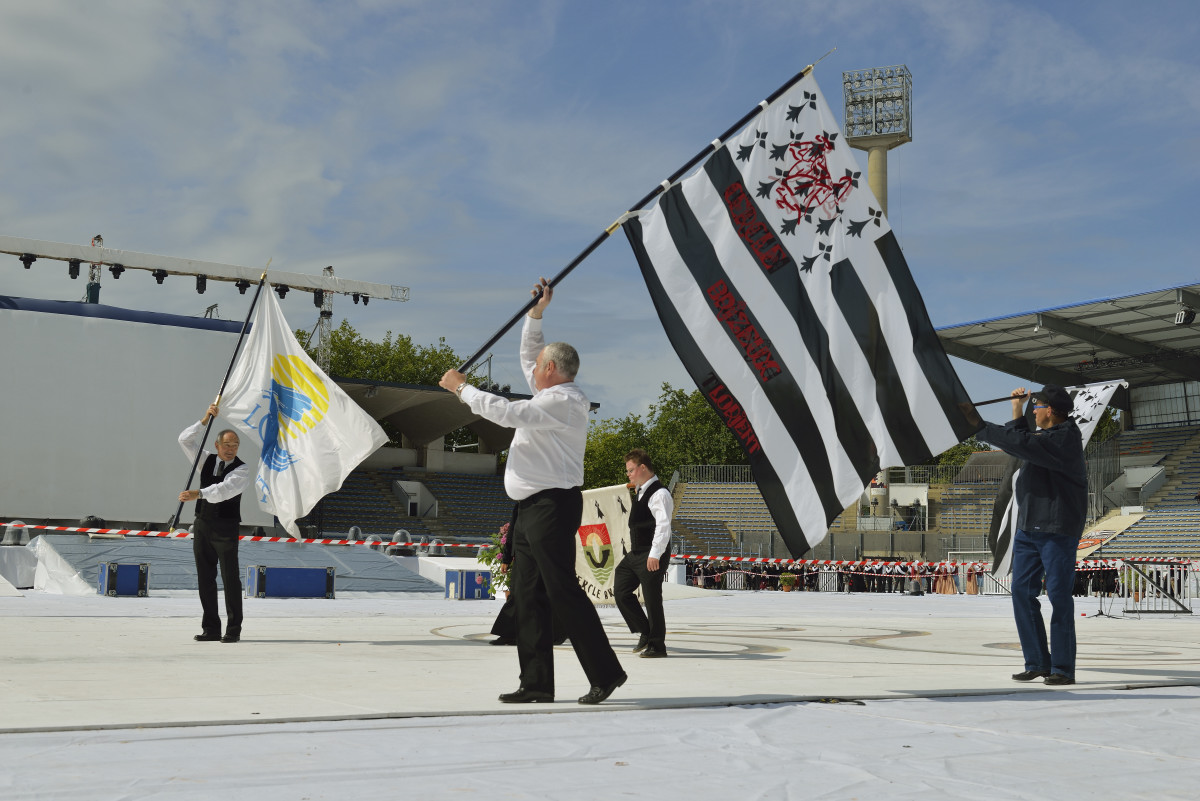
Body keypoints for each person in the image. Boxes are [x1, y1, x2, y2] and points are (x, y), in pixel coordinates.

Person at [439, 277, 626, 705]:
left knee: (561, 590)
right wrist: (536, 315)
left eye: (539, 366)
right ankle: (536, 683)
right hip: (530, 508)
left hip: (552, 506)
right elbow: (529, 355)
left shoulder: (564, 401)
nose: (532, 369)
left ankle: (606, 672)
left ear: (552, 370)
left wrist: (461, 389)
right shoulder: (550, 390)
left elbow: (507, 413)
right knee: (527, 594)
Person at [979, 385, 1087, 686]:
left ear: (1049, 410)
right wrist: (1016, 409)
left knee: (1059, 597)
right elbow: (1022, 444)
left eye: (1036, 407)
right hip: (1030, 527)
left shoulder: (1064, 438)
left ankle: (1062, 668)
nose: (1034, 411)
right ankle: (1037, 662)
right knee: (1021, 593)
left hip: (1056, 528)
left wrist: (977, 426)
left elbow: (1024, 444)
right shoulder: (1045, 438)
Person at [178, 404, 250, 644]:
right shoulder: (206, 460)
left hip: (226, 529)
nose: (231, 450)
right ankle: (211, 628)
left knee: (230, 578)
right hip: (202, 525)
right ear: (217, 445)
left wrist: (198, 493)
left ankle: (233, 629)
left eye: (235, 445)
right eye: (227, 445)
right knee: (205, 578)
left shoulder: (242, 469)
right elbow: (184, 439)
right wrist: (205, 420)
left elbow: (224, 490)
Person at [613, 448, 673, 658]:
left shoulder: (660, 493)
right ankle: (646, 631)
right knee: (621, 591)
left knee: (652, 599)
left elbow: (663, 526)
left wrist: (655, 554)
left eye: (630, 470)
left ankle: (657, 646)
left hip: (652, 553)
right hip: (636, 553)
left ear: (643, 468)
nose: (628, 474)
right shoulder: (640, 491)